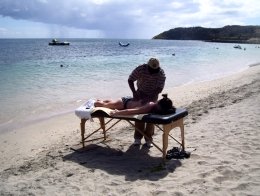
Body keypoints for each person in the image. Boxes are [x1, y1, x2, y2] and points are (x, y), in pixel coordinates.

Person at [128, 58, 166, 147]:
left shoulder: (161, 73)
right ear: (147, 66)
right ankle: (137, 138)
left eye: (155, 70)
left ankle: (148, 139)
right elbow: (130, 80)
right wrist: (134, 92)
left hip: (153, 94)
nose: (153, 72)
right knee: (139, 116)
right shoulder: (141, 69)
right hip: (140, 93)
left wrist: (150, 98)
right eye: (151, 70)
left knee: (150, 118)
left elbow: (159, 88)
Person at [94, 94, 175, 117]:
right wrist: (117, 113)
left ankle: (102, 100)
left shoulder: (155, 105)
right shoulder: (149, 106)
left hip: (129, 100)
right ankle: (94, 102)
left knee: (111, 104)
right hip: (124, 103)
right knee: (101, 105)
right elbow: (132, 111)